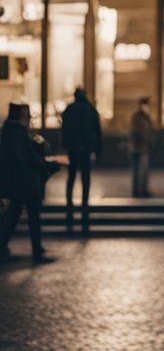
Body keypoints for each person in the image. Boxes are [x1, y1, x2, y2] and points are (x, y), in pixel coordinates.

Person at [0, 103, 60, 264]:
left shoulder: (10, 131)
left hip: (17, 181)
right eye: (25, 114)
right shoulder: (17, 133)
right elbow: (27, 157)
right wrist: (44, 164)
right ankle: (36, 251)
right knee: (31, 214)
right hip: (24, 181)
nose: (28, 117)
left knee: (14, 213)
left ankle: (4, 247)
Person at [60, 87, 102, 234]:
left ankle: (69, 205)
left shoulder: (69, 109)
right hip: (85, 149)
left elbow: (64, 128)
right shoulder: (90, 109)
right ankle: (84, 205)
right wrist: (97, 149)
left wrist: (65, 145)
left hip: (73, 149)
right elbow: (97, 130)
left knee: (71, 178)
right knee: (85, 178)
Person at [128, 96, 155, 197]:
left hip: (144, 147)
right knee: (138, 171)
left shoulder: (146, 117)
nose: (146, 107)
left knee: (143, 171)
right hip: (138, 147)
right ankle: (138, 191)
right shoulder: (137, 117)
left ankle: (143, 190)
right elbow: (136, 132)